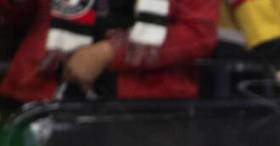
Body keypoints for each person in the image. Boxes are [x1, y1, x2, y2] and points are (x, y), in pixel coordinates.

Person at [0, 0, 217, 103]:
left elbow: (199, 33)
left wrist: (109, 53)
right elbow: (18, 16)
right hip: (46, 98)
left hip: (144, 111)